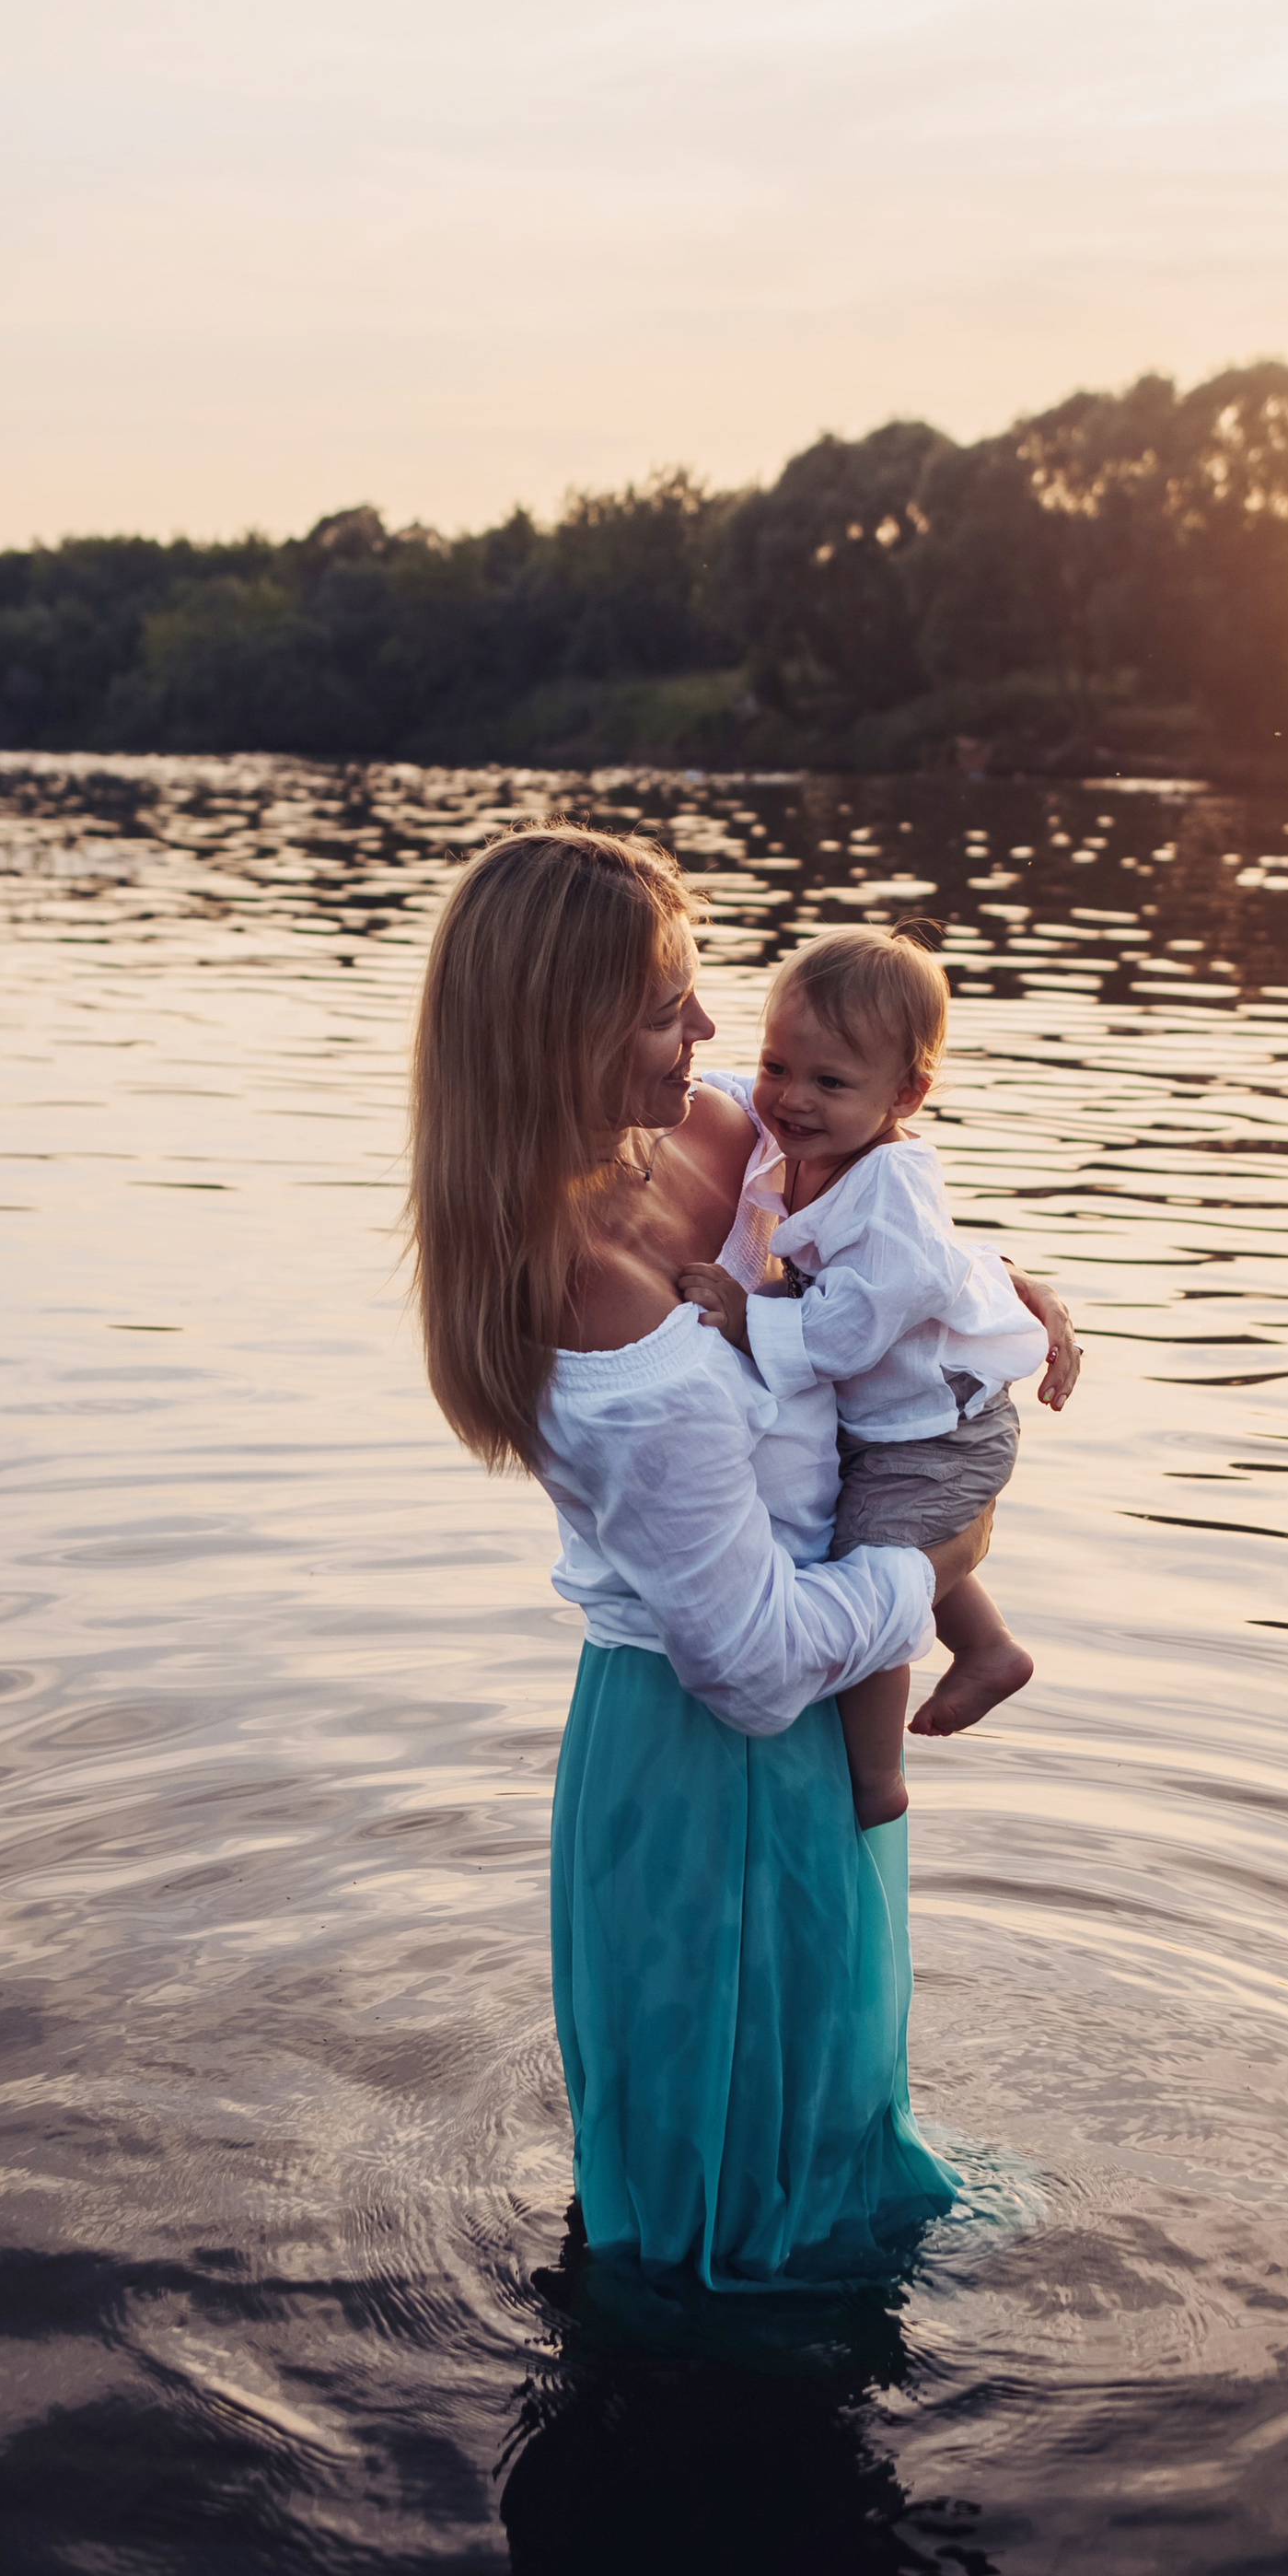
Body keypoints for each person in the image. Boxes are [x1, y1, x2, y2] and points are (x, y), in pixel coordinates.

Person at [407, 823, 1079, 2291]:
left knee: (820, 2105)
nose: (711, 1034)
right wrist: (941, 1560)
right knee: (718, 2193)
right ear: (561, 1033)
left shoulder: (714, 1127)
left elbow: (879, 1199)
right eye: (665, 1007)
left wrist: (999, 1293)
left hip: (825, 1694)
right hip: (707, 1754)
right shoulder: (594, 1311)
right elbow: (756, 1663)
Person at [677, 921, 1046, 1829]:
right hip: (905, 1420)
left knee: (872, 1568)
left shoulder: (887, 1183)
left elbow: (850, 1330)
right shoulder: (800, 1140)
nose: (789, 1099)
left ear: (905, 1092)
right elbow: (711, 1095)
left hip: (934, 1429)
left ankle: (876, 1784)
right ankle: (990, 1646)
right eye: (776, 1066)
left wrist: (744, 1314)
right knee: (896, 1540)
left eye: (829, 1082)